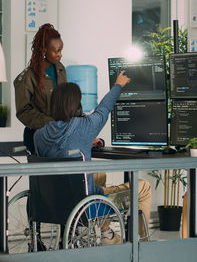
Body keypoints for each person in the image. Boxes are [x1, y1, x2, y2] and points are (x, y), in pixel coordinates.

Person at [33, 73, 151, 242]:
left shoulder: (39, 135)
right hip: (85, 205)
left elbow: (59, 150)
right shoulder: (84, 126)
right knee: (143, 187)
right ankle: (143, 246)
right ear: (77, 104)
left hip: (51, 203)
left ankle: (105, 232)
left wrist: (84, 144)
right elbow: (104, 108)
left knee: (99, 175)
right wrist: (118, 84)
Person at [14, 23, 67, 153]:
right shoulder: (27, 77)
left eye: (61, 50)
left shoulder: (60, 69)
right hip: (37, 137)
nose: (60, 55)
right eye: (56, 51)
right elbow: (23, 112)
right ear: (44, 51)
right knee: (42, 173)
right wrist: (51, 122)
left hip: (59, 135)